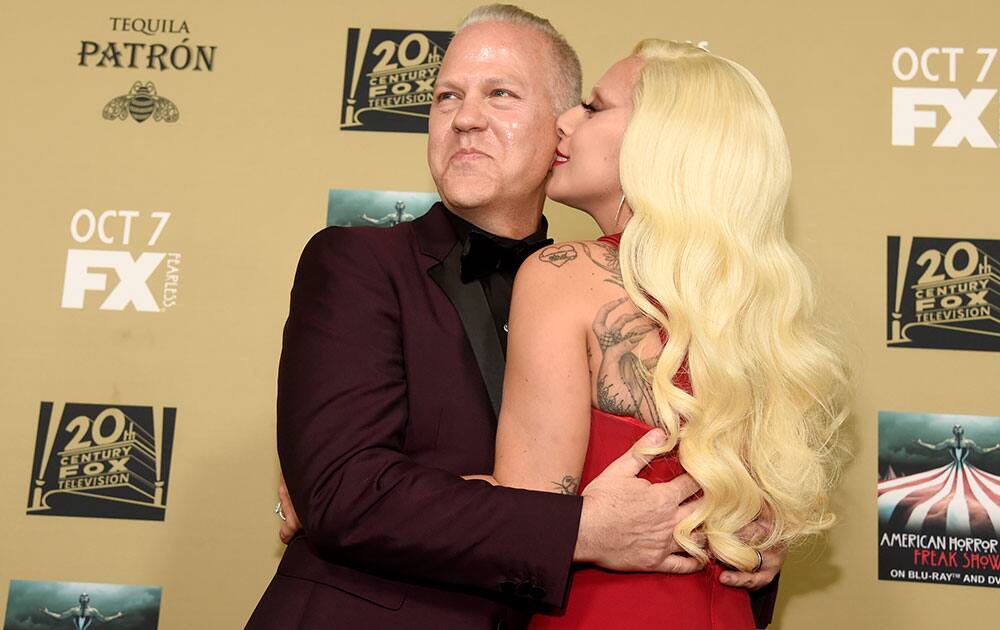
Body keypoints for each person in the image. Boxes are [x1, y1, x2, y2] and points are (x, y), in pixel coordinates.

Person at [247, 7, 782, 630]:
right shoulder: (355, 262)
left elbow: (691, 504)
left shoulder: (647, 292)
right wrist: (580, 527)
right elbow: (343, 492)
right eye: (447, 96)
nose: (464, 117)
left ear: (561, 129)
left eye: (500, 94)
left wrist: (749, 542)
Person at [471, 39, 850, 628]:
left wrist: (355, 498)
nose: (564, 121)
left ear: (661, 144)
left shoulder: (561, 274)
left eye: (594, 108)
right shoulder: (756, 307)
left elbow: (529, 523)